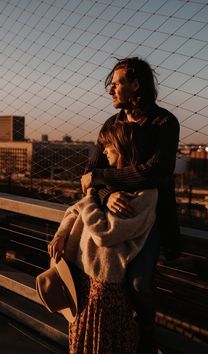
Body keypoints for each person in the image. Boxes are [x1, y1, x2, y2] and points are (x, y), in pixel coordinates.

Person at [81, 56, 180, 354]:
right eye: (111, 85)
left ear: (136, 84)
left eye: (117, 84)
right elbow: (88, 178)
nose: (110, 90)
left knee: (138, 284)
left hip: (151, 220)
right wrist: (106, 194)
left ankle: (145, 337)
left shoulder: (164, 122)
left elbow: (155, 173)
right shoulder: (110, 125)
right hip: (110, 216)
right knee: (104, 285)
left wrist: (103, 178)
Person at [48, 122, 158, 354]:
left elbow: (104, 234)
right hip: (81, 279)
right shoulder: (109, 182)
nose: (104, 151)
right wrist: (61, 234)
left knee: (100, 345)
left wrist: (90, 196)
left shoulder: (145, 194)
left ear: (123, 147)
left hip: (105, 288)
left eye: (108, 146)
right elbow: (74, 210)